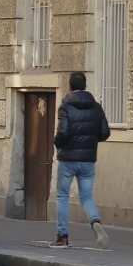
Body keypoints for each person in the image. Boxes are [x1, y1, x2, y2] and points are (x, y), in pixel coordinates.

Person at [50, 71, 110, 249]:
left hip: (68, 159)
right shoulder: (96, 107)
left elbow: (63, 133)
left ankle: (63, 237)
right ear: (85, 86)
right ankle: (95, 221)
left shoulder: (65, 107)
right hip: (88, 160)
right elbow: (105, 133)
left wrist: (56, 142)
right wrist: (90, 141)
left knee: (62, 197)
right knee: (86, 197)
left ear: (70, 86)